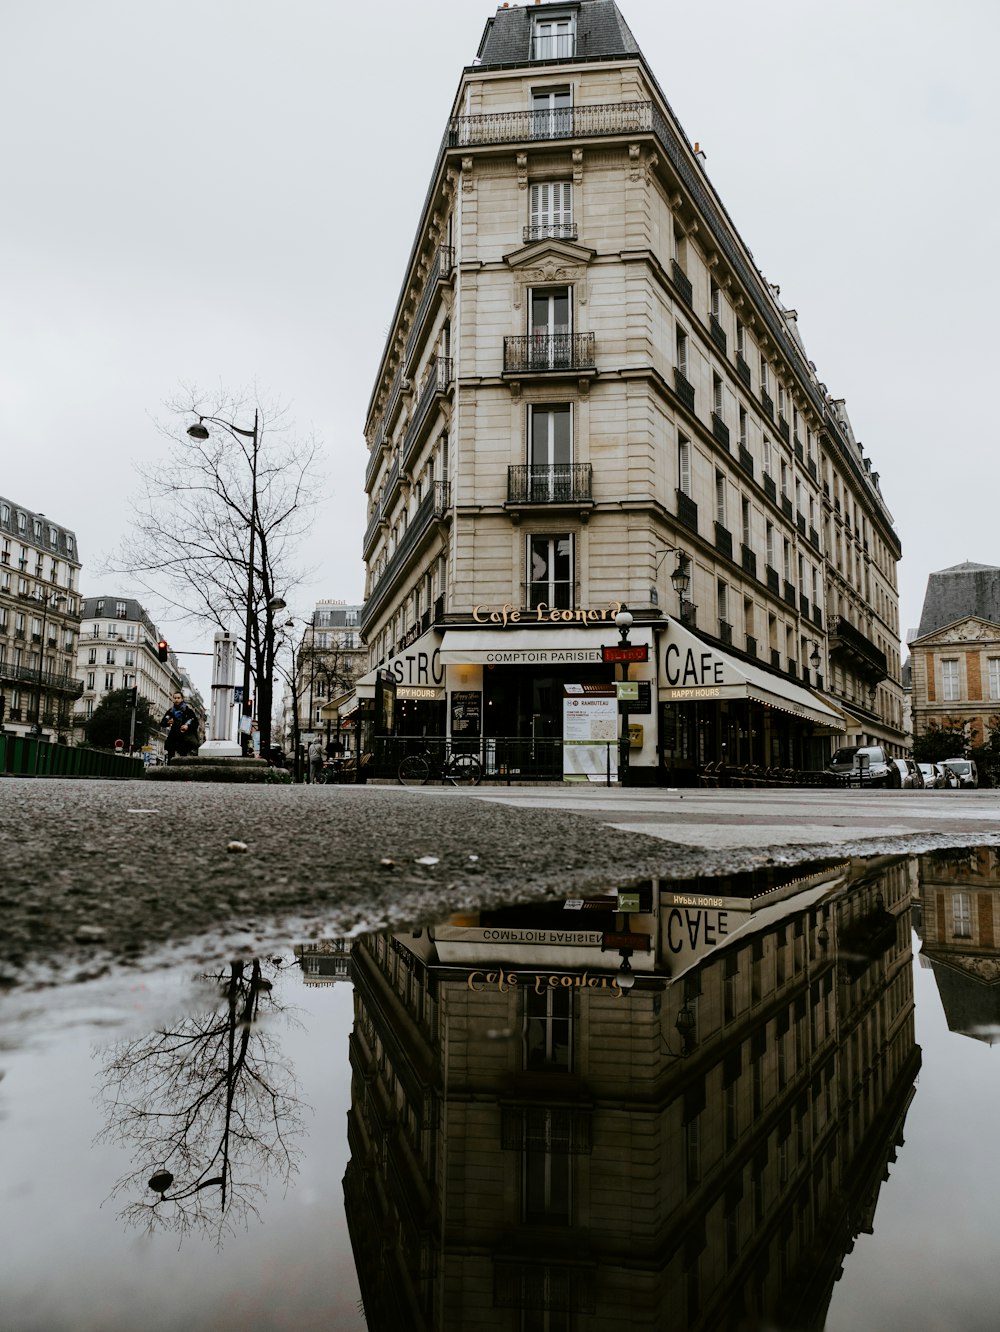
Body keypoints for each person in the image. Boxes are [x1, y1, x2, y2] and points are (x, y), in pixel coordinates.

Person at [162, 691, 199, 763]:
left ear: (182, 699)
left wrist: (187, 727)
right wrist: (167, 722)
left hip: (184, 738)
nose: (176, 700)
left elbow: (196, 723)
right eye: (175, 698)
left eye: (178, 698)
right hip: (173, 737)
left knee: (183, 757)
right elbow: (162, 722)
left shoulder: (188, 711)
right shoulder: (170, 711)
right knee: (170, 758)